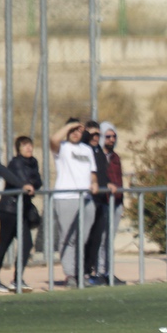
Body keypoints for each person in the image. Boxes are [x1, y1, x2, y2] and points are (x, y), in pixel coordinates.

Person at [49, 118, 98, 288]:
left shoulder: (87, 150)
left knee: (82, 239)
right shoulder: (62, 148)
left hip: (86, 199)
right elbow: (53, 140)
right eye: (73, 131)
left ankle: (81, 273)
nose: (76, 134)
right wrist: (69, 125)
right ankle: (70, 274)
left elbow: (92, 172)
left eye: (79, 131)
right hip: (66, 198)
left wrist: (94, 182)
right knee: (67, 238)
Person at [0, 138, 40, 293]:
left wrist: (26, 184)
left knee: (26, 243)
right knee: (4, 245)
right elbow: (14, 175)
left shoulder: (33, 162)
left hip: (21, 210)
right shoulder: (17, 163)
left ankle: (16, 279)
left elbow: (37, 182)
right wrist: (24, 184)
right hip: (9, 209)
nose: (29, 148)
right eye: (24, 145)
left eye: (30, 144)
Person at [82, 120, 115, 286]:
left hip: (101, 199)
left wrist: (108, 183)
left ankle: (90, 271)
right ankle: (81, 272)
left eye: (97, 135)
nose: (95, 137)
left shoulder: (98, 151)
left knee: (97, 238)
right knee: (85, 237)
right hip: (89, 200)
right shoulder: (84, 150)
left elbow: (102, 173)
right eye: (92, 134)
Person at [95, 121, 126, 285]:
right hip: (104, 202)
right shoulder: (97, 156)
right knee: (102, 238)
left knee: (110, 239)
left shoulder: (116, 158)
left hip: (116, 203)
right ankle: (99, 271)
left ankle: (109, 271)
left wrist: (121, 200)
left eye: (113, 136)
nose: (111, 139)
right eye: (108, 136)